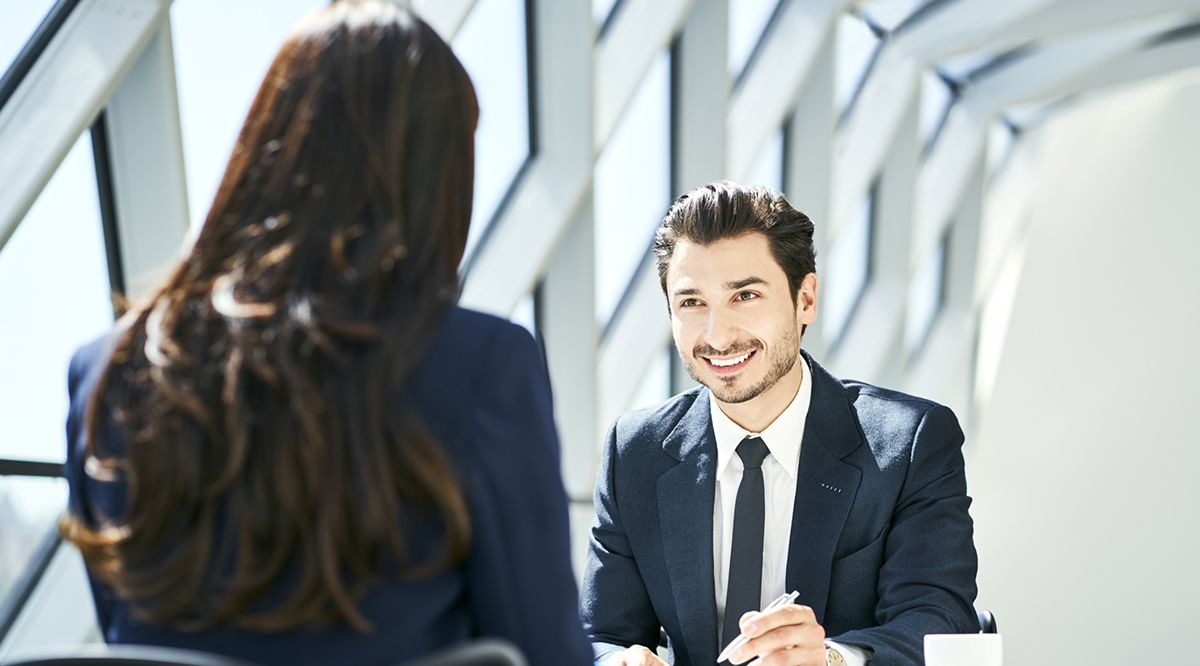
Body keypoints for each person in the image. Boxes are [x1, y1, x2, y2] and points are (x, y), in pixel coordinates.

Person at [59, 3, 592, 665]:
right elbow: (542, 649)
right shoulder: (480, 365)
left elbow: (124, 637)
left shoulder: (108, 370)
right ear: (435, 182)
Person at [580, 181, 978, 666]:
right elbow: (600, 633)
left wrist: (831, 660)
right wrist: (613, 662)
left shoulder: (910, 443)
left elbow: (938, 619)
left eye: (744, 295)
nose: (717, 335)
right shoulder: (635, 452)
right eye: (691, 302)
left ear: (805, 299)